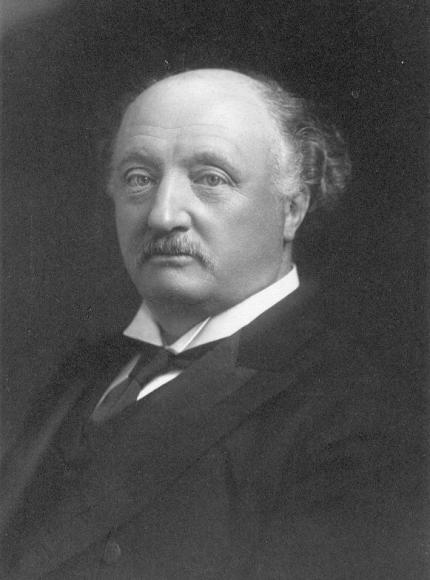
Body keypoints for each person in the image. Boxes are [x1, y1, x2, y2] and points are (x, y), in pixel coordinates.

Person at [0, 68, 424, 579]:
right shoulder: (73, 372)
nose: (162, 215)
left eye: (210, 179)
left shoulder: (359, 414)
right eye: (139, 178)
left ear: (293, 208)